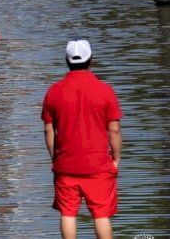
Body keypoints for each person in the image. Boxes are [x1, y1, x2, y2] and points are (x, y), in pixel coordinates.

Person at [41, 39, 122, 239]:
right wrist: (116, 159)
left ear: (66, 61)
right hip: (98, 165)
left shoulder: (54, 91)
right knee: (101, 215)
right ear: (90, 60)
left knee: (68, 213)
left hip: (66, 165)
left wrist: (55, 158)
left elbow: (49, 130)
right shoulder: (105, 90)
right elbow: (114, 129)